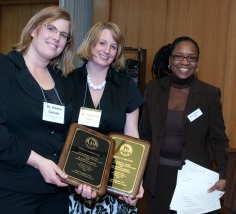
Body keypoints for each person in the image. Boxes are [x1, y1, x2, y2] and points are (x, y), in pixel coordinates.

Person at [0, 6, 74, 214]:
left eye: (64, 35)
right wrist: (39, 162)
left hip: (52, 191)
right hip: (5, 186)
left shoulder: (61, 81)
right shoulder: (1, 67)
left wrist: (84, 176)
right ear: (33, 29)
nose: (57, 37)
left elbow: (65, 135)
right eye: (51, 28)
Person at [138, 36, 229, 213]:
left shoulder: (209, 94)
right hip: (158, 178)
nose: (185, 62)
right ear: (170, 60)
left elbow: (218, 139)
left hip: (195, 180)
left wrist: (225, 174)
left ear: (197, 62)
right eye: (179, 56)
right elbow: (144, 134)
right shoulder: (153, 89)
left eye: (191, 57)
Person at [68, 21, 145, 214]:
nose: (107, 50)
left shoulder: (127, 87)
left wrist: (135, 181)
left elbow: (132, 135)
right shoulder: (68, 81)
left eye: (113, 46)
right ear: (90, 44)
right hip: (73, 177)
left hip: (113, 182)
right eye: (102, 43)